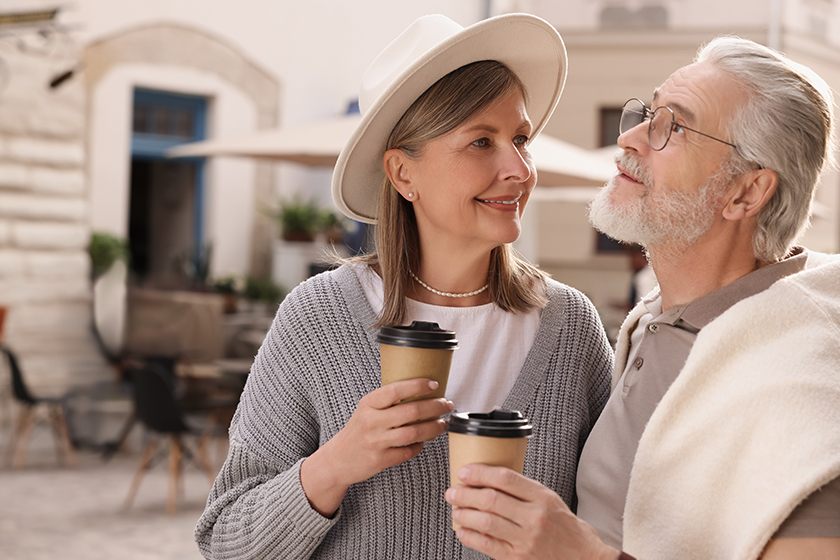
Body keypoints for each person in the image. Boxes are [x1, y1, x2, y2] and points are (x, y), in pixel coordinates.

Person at [194, 13, 614, 560]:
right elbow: (226, 542)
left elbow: (621, 526)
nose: (518, 169)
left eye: (520, 139)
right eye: (481, 141)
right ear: (402, 174)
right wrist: (336, 463)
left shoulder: (570, 326)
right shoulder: (316, 318)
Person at [445, 36, 840, 560]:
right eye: (650, 114)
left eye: (674, 127)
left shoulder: (805, 378)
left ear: (745, 192)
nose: (628, 137)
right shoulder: (657, 322)